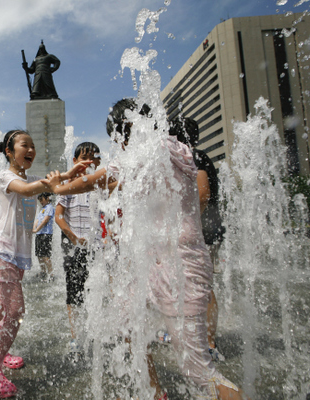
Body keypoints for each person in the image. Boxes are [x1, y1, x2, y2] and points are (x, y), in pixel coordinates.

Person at [47, 99, 249, 400]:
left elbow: (103, 179)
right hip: (156, 262)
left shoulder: (155, 149)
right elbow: (111, 178)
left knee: (198, 371)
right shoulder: (168, 148)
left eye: (116, 137)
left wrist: (60, 186)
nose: (118, 144)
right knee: (129, 324)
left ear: (122, 131)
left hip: (181, 265)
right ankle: (155, 392)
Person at [0, 129, 91, 398]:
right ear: (9, 151)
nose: (31, 149)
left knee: (2, 309)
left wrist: (72, 172)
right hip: (3, 252)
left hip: (17, 256)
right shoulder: (6, 177)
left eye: (32, 145)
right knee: (15, 311)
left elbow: (50, 181)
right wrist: (52, 183)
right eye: (24, 145)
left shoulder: (30, 177)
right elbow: (29, 190)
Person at [170, 116, 226, 362]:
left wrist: (187, 226)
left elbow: (202, 196)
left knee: (203, 287)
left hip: (203, 232)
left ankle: (210, 341)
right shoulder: (189, 157)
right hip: (197, 232)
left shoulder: (195, 157)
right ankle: (194, 335)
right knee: (189, 284)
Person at [54, 141, 101, 358]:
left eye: (94, 158)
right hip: (74, 248)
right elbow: (58, 216)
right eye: (85, 158)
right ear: (75, 162)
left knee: (95, 291)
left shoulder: (100, 186)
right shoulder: (70, 188)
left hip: (97, 248)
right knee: (74, 294)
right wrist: (73, 237)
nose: (89, 162)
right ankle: (75, 336)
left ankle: (93, 331)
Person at [32, 192, 55, 281]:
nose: (40, 201)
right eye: (39, 200)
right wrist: (34, 228)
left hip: (46, 234)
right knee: (39, 254)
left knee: (45, 255)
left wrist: (37, 230)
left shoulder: (49, 207)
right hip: (39, 234)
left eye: (42, 199)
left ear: (47, 198)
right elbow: (37, 220)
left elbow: (45, 220)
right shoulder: (42, 209)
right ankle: (43, 271)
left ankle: (51, 273)